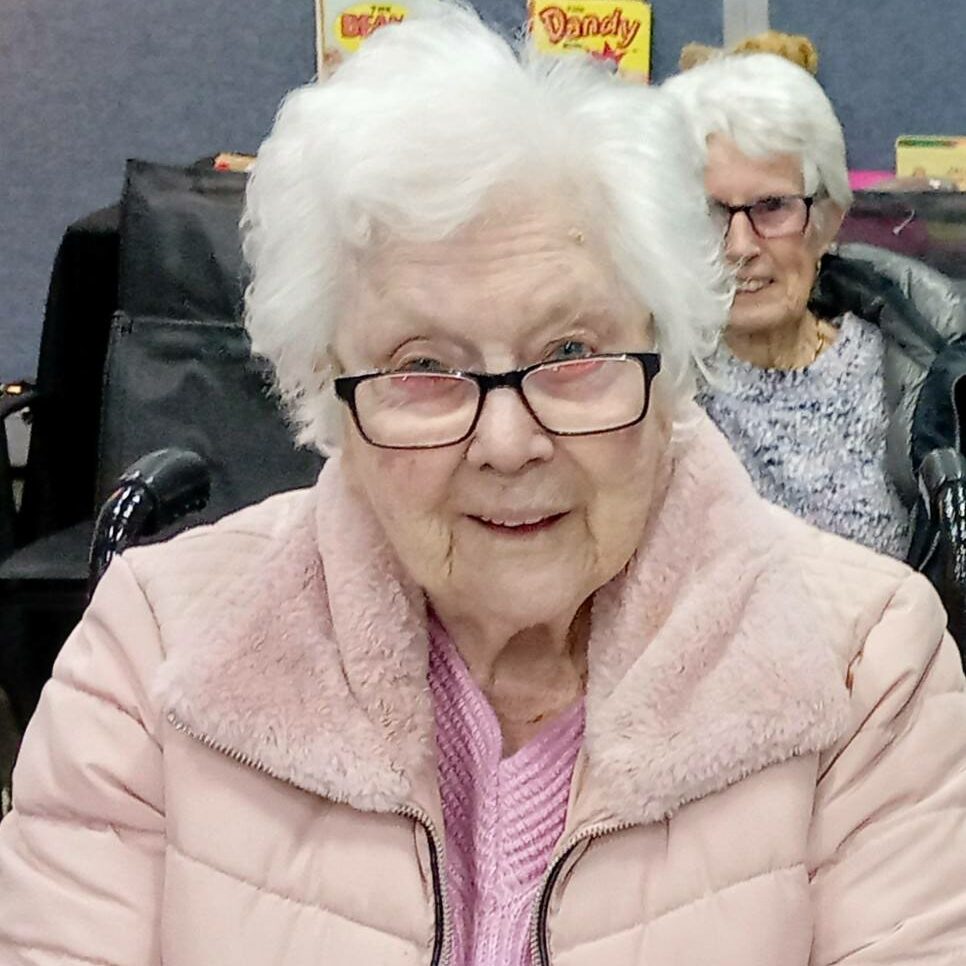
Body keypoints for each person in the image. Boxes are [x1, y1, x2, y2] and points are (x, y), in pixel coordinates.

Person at [2, 7, 966, 964]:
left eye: (573, 351)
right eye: (421, 365)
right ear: (327, 388)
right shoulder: (156, 649)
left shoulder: (865, 666)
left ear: (668, 359)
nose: (508, 443)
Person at [664, 52, 966, 577]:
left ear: (826, 223)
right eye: (710, 212)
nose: (738, 246)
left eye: (771, 207)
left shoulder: (916, 370)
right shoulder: (654, 382)